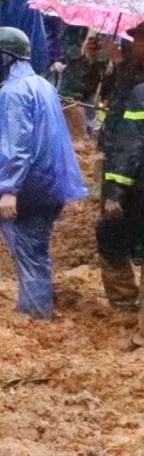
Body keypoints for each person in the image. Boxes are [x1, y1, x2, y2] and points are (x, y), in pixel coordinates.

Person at [0, 27, 87, 319]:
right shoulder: (44, 85)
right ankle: (36, 314)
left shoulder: (13, 92)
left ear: (4, 57)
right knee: (33, 250)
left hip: (25, 182)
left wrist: (9, 189)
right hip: (52, 184)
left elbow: (18, 146)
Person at [96, 24, 144, 311]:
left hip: (135, 180)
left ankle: (126, 304)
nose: (133, 43)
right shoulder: (129, 72)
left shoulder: (140, 92)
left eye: (138, 39)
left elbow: (131, 144)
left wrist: (114, 190)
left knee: (111, 235)